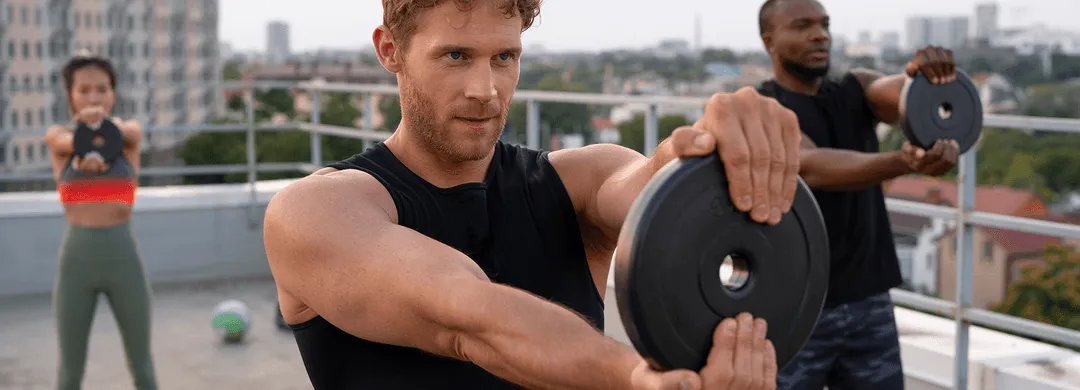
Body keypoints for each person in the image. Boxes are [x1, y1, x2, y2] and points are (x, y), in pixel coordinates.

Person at [264, 1, 805, 389]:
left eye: (504, 57)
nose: (486, 90)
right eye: (455, 56)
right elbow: (466, 316)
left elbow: (653, 190)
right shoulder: (316, 212)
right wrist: (636, 379)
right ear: (390, 50)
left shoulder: (580, 180)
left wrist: (706, 144)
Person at [755, 0, 960, 389]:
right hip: (796, 308)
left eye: (825, 24)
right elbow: (811, 166)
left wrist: (924, 80)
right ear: (770, 41)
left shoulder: (857, 88)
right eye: (802, 26)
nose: (820, 34)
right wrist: (902, 162)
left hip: (870, 300)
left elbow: (899, 95)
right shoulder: (765, 109)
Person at [44, 52, 158, 390]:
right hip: (75, 265)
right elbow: (65, 141)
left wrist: (100, 136)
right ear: (69, 94)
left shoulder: (128, 137)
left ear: (113, 92)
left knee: (142, 366)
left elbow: (127, 133)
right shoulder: (59, 140)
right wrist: (83, 146)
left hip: (124, 262)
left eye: (102, 89)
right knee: (69, 372)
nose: (94, 98)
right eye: (84, 90)